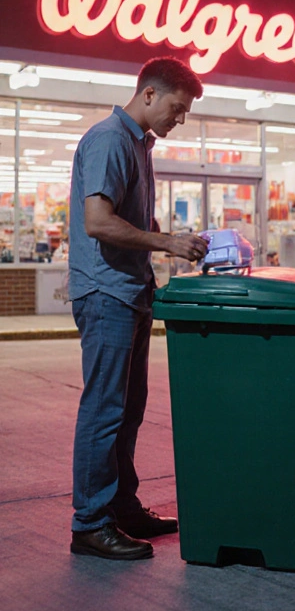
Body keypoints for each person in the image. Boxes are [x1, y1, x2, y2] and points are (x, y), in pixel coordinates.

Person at [67, 57, 208, 560]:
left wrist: (165, 254)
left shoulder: (138, 145)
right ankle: (90, 523)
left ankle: (122, 507)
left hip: (131, 292)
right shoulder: (110, 139)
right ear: (149, 94)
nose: (181, 118)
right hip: (106, 293)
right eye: (178, 107)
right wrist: (168, 242)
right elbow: (98, 223)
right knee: (104, 411)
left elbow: (128, 226)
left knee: (128, 411)